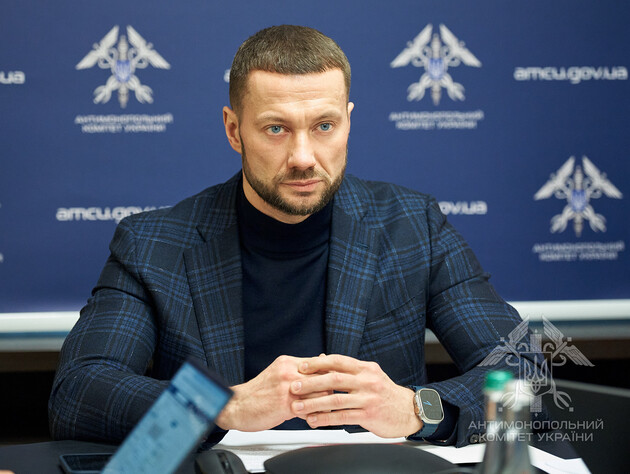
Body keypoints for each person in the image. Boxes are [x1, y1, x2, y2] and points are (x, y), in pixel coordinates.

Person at [49, 25, 543, 447]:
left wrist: (417, 409)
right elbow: (77, 393)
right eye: (276, 129)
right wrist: (223, 406)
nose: (304, 157)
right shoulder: (153, 243)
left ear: (348, 122)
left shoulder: (414, 225)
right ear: (234, 130)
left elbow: (526, 373)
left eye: (324, 125)